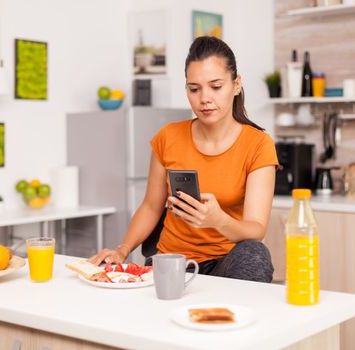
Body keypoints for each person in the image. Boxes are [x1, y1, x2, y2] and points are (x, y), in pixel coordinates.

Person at [89, 36, 279, 282]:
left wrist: (218, 220)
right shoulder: (168, 136)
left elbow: (256, 228)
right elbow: (150, 206)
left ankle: (230, 316)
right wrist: (122, 250)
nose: (204, 98)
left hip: (226, 264)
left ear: (236, 84)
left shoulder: (258, 144)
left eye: (216, 86)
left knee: (255, 254)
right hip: (172, 262)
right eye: (194, 89)